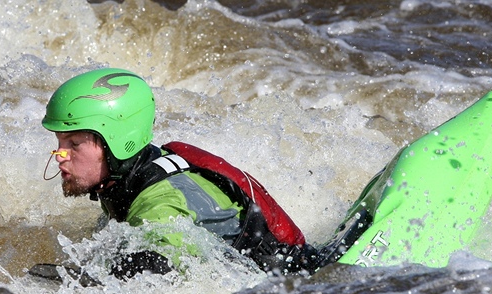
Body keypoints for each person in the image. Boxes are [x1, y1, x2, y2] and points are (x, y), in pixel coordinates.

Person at [41, 68, 322, 279]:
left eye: (74, 144)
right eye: (59, 142)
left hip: (288, 276)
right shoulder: (121, 177)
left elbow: (162, 266)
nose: (59, 156)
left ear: (114, 141)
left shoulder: (160, 200)